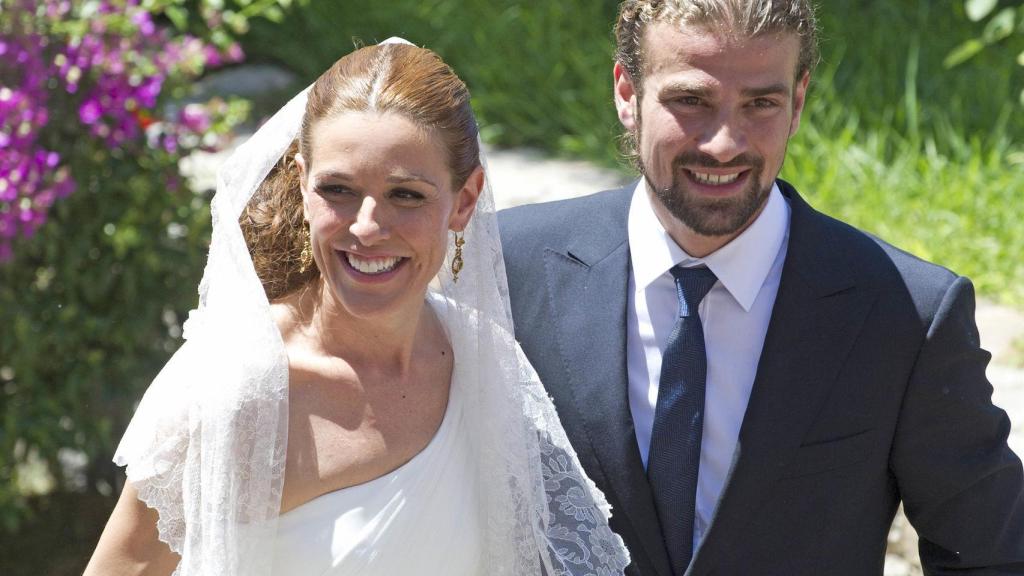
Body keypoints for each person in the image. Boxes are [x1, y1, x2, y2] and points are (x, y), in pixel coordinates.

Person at [498, 2, 1024, 575]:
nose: (724, 143)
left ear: (797, 103)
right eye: (691, 101)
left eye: (760, 104)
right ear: (627, 93)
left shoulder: (907, 313)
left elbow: (989, 555)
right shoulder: (510, 269)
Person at [84, 39, 629, 576]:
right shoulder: (239, 388)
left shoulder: (481, 360)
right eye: (338, 190)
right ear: (301, 184)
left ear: (464, 201)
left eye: (407, 195)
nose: (367, 227)